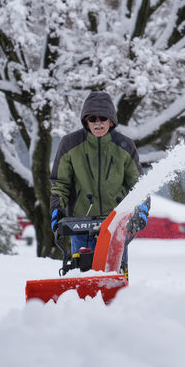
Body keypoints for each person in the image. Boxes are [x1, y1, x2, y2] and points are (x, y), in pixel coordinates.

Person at [49, 91, 149, 255]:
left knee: (115, 274)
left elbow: (138, 185)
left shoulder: (124, 146)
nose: (98, 123)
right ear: (85, 121)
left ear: (111, 121)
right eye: (92, 119)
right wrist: (57, 210)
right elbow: (60, 183)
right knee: (82, 273)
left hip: (115, 223)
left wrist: (141, 210)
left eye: (102, 118)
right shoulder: (70, 144)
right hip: (80, 224)